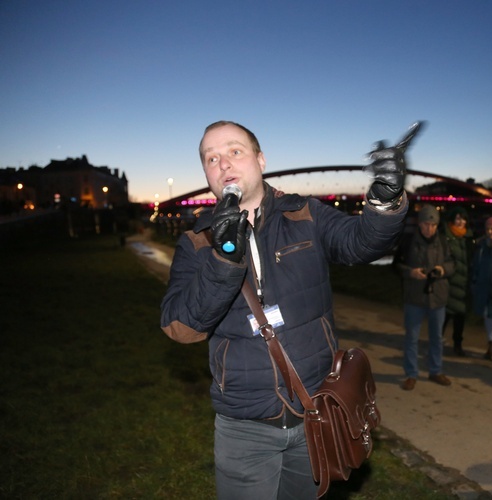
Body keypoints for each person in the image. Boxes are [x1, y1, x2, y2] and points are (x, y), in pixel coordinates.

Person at [160, 120, 414, 499]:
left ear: (260, 160)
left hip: (315, 410)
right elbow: (180, 327)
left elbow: (361, 244)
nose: (223, 164)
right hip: (244, 425)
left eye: (235, 151)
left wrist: (385, 200)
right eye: (211, 158)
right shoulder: (197, 242)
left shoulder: (304, 214)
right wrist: (224, 258)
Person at [394, 204, 454, 390]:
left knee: (436, 337)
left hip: (437, 297)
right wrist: (411, 272)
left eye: (433, 225)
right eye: (426, 224)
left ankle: (435, 371)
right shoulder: (408, 242)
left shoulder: (443, 242)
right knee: (412, 337)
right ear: (419, 224)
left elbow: (453, 264)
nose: (429, 228)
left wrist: (443, 270)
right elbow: (396, 265)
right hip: (415, 297)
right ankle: (411, 374)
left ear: (437, 225)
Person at [441, 206, 474, 356]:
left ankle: (457, 345)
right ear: (452, 219)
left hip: (463, 283)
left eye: (463, 219)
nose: (461, 222)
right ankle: (437, 342)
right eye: (458, 218)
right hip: (449, 283)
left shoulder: (468, 237)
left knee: (460, 317)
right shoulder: (446, 237)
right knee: (445, 315)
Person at [471, 215, 492, 360]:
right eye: (488, 229)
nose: (490, 232)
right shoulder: (482, 247)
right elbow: (476, 266)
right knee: (488, 316)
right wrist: (475, 282)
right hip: (484, 287)